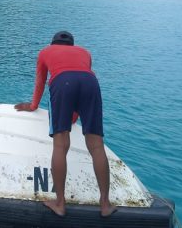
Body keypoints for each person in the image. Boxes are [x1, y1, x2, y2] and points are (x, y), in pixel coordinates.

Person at [15, 31, 117, 217]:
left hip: (62, 82)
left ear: (52, 43)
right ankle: (105, 204)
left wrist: (33, 106)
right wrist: (74, 117)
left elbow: (40, 82)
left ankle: (60, 203)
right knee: (96, 145)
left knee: (61, 145)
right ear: (72, 45)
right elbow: (80, 84)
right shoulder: (85, 53)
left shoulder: (45, 52)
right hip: (91, 83)